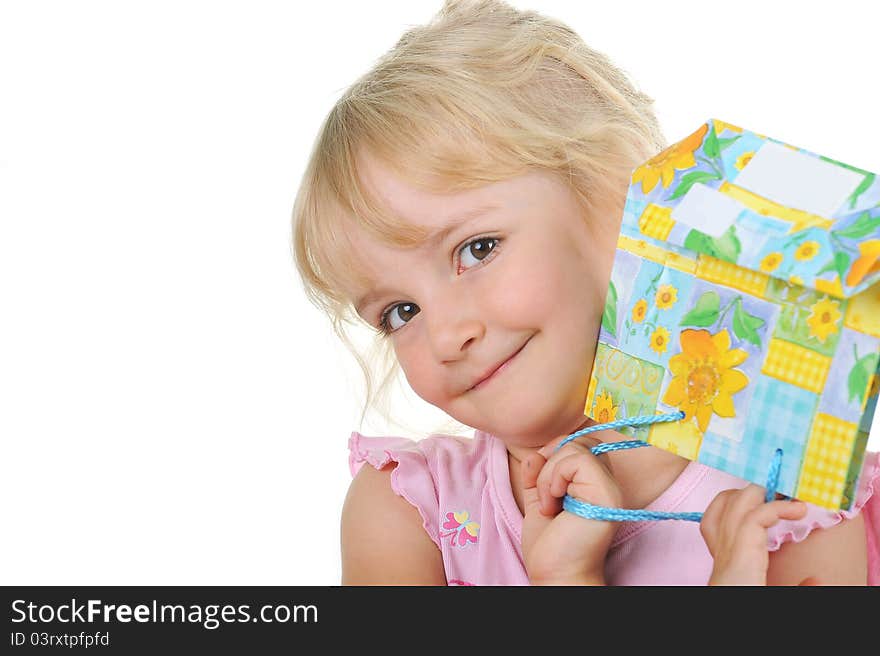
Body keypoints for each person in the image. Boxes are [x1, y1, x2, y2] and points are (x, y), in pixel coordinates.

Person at [291, 0, 879, 585]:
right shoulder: (406, 514)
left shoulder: (788, 505)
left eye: (477, 249)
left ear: (614, 200)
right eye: (401, 311)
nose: (445, 336)